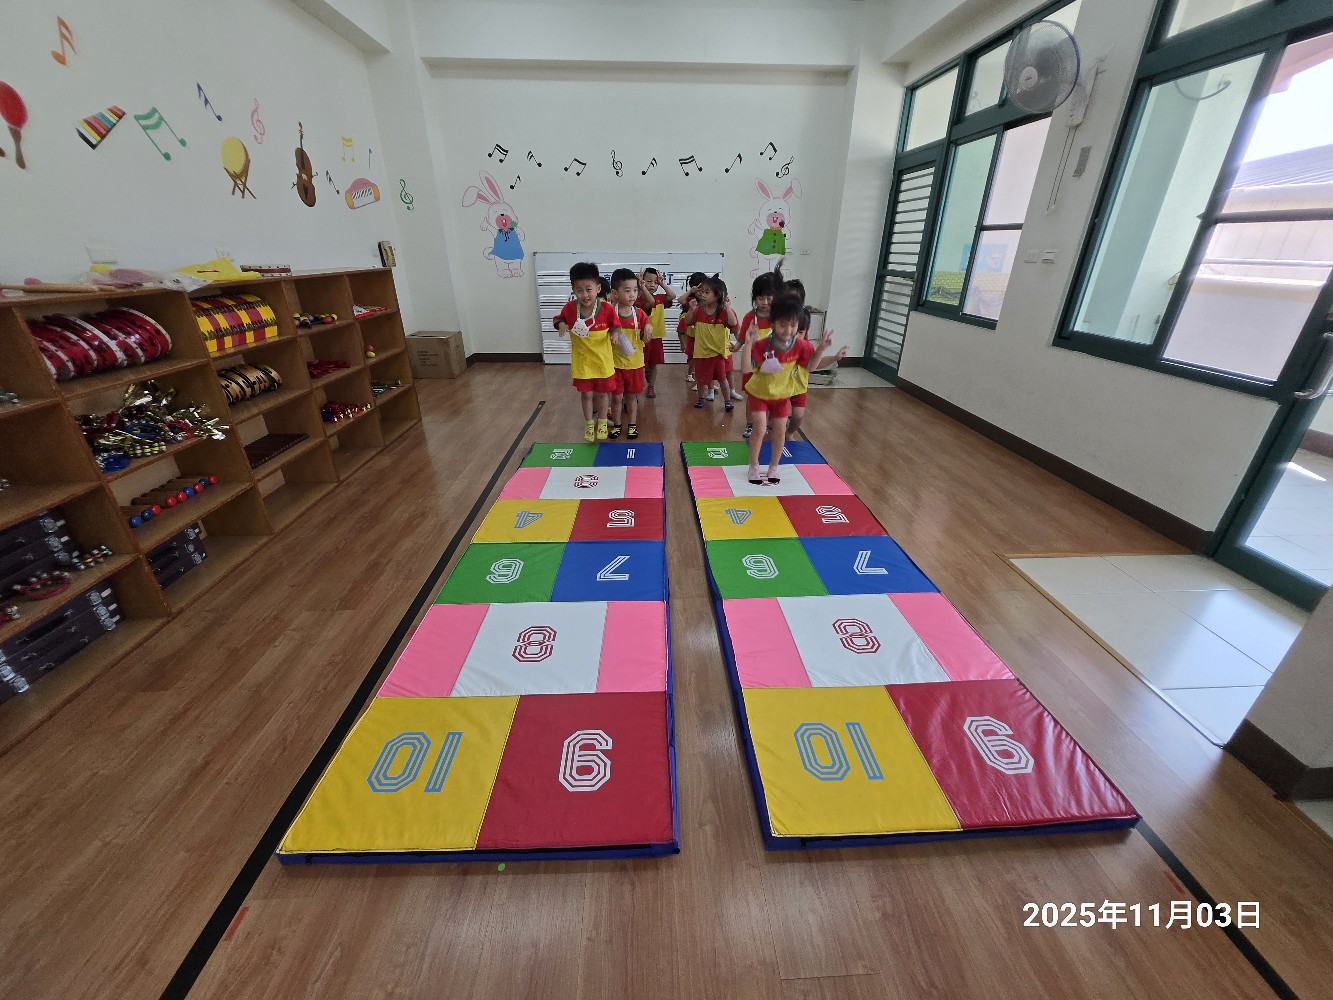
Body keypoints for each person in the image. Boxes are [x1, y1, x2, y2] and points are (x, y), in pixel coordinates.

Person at [741, 290, 846, 484]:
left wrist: (821, 349)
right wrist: (748, 344)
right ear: (773, 323)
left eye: (793, 325)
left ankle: (774, 466)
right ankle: (753, 466)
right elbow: (746, 369)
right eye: (783, 324)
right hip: (759, 394)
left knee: (780, 431)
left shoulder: (801, 346)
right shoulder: (763, 345)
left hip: (782, 396)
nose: (788, 330)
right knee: (760, 428)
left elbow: (810, 368)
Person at [553, 261, 621, 442]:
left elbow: (616, 325)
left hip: (603, 361)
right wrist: (561, 324)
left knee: (603, 393)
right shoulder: (570, 308)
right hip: (583, 362)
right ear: (573, 290)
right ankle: (589, 424)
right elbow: (558, 319)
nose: (585, 295)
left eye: (589, 289)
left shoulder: (606, 308)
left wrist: (614, 334)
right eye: (579, 290)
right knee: (586, 394)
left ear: (598, 288)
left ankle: (603, 422)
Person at [608, 268, 649, 440]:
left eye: (635, 290)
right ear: (615, 293)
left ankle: (632, 425)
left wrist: (648, 328)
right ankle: (617, 425)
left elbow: (646, 335)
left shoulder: (639, 314)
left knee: (632, 398)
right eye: (627, 290)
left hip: (635, 365)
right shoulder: (610, 313)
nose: (632, 295)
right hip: (614, 365)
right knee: (616, 399)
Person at [687, 275, 739, 411]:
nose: (703, 295)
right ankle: (701, 398)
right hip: (701, 353)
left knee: (722, 379)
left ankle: (727, 401)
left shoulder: (723, 311)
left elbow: (733, 323)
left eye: (707, 292)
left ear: (717, 295)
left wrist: (727, 307)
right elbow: (688, 322)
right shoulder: (698, 310)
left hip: (718, 354)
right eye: (702, 292)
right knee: (701, 380)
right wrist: (691, 309)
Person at [738, 272, 777, 439]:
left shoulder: (778, 316)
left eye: (769, 298)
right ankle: (750, 424)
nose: (765, 302)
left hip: (772, 365)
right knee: (752, 396)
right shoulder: (750, 317)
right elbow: (742, 336)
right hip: (753, 365)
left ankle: (765, 422)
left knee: (769, 394)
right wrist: (736, 346)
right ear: (755, 298)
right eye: (761, 298)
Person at [638, 267, 675, 399]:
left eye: (655, 282)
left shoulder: (660, 298)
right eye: (649, 281)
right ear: (642, 281)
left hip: (656, 337)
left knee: (653, 364)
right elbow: (650, 302)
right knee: (640, 365)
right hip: (642, 339)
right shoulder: (638, 299)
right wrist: (641, 287)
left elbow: (672, 296)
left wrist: (663, 283)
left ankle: (651, 387)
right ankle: (637, 387)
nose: (652, 285)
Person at [677, 272, 707, 388]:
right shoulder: (691, 301)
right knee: (694, 359)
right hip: (693, 336)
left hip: (704, 336)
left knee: (704, 360)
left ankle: (705, 382)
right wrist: (691, 291)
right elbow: (680, 300)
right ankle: (695, 379)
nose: (701, 292)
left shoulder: (707, 301)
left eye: (703, 290)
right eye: (698, 289)